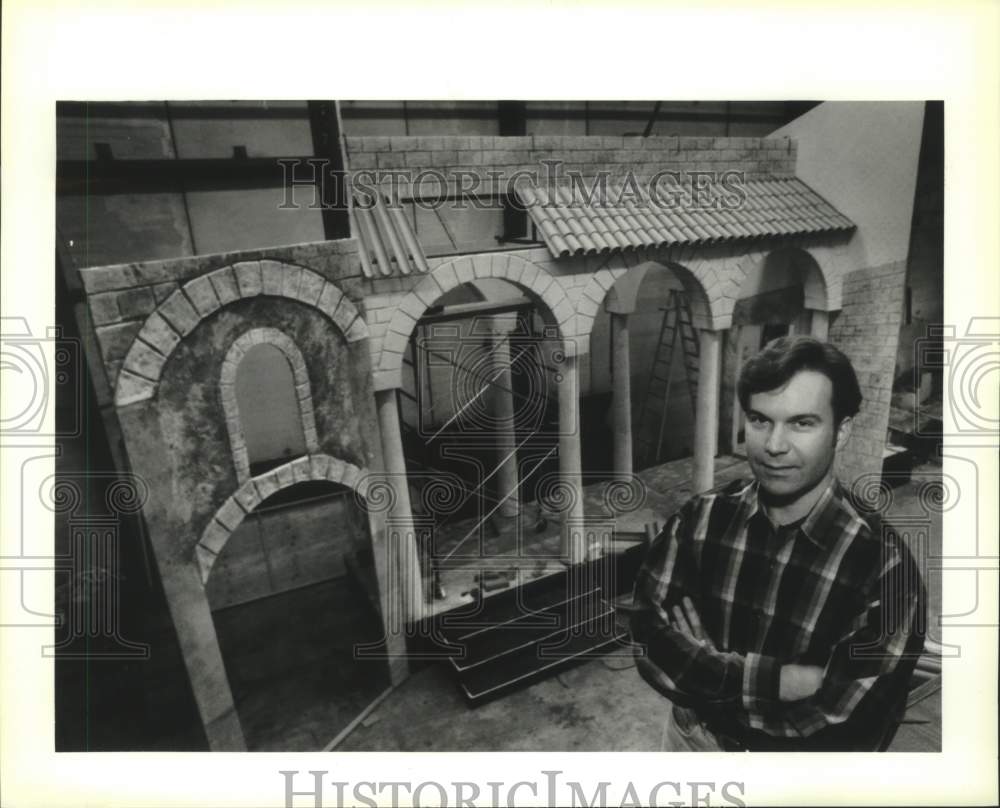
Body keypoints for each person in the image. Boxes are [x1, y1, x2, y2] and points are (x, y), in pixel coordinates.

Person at [630, 335, 926, 751]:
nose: (773, 446)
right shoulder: (701, 518)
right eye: (760, 420)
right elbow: (648, 639)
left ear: (841, 432)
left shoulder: (884, 569)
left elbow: (842, 727)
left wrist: (703, 666)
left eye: (802, 423)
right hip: (689, 739)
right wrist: (775, 682)